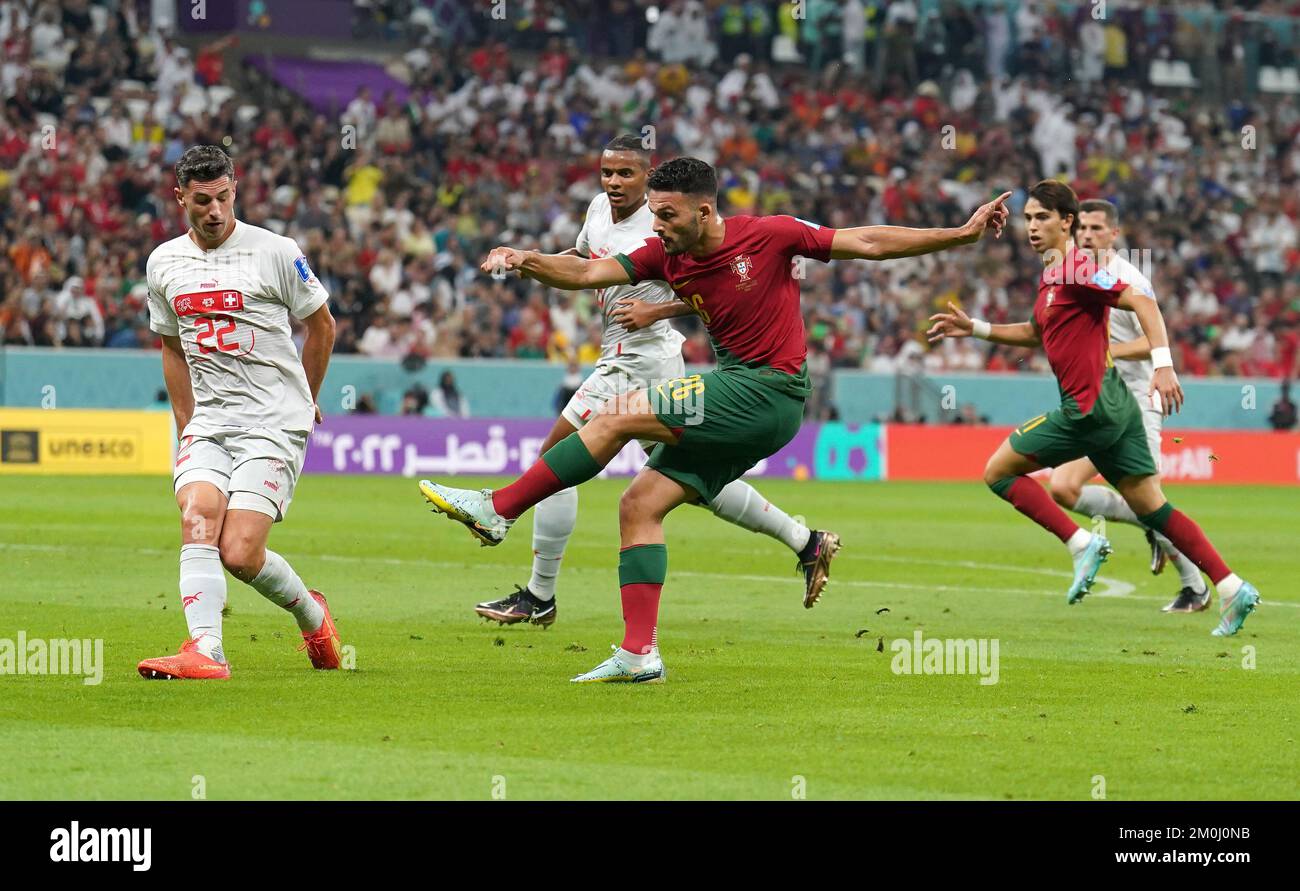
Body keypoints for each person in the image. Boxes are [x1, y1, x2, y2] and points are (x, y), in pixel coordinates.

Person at [422, 156, 1010, 683]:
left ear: (705, 210)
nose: (657, 226)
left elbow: (870, 242)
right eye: (654, 214)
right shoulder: (664, 252)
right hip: (741, 396)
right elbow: (583, 274)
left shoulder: (771, 235)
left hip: (769, 390)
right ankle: (638, 653)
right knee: (640, 505)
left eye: (669, 214)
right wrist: (525, 260)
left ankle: (499, 510)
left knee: (615, 416)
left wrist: (961, 234)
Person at [466, 135, 840, 630]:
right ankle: (803, 540)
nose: (614, 182)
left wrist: (656, 309)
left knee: (560, 452)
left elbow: (718, 285)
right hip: (619, 354)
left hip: (642, 358)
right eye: (608, 173)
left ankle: (537, 588)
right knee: (680, 482)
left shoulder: (667, 225)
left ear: (648, 179)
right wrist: (530, 262)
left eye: (626, 174)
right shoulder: (599, 210)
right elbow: (583, 262)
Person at [927, 180, 1259, 637]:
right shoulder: (1053, 275)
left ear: (1068, 222)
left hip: (1090, 409)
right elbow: (1036, 332)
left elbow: (1141, 301)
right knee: (1154, 508)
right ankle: (1230, 586)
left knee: (998, 472)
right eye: (1028, 219)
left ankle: (1081, 541)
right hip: (1116, 409)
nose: (1032, 227)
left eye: (1042, 217)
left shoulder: (1080, 270)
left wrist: (1164, 365)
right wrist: (977, 329)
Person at [136, 145, 343, 680]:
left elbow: (322, 326)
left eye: (223, 198)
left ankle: (313, 616)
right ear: (180, 197)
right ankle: (207, 651)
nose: (214, 211)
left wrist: (307, 395)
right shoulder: (164, 262)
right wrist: (187, 427)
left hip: (274, 419)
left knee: (242, 553)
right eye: (202, 200)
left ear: (236, 190)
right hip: (210, 421)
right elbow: (173, 346)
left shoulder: (275, 251)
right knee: (197, 515)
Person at [1046, 199, 1209, 614]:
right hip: (1102, 401)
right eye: (1081, 227)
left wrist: (1106, 349)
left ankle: (1197, 588)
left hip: (1140, 399)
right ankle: (1150, 526)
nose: (1086, 235)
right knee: (1063, 486)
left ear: (1114, 234)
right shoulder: (1074, 273)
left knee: (1149, 497)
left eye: (1097, 228)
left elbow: (1155, 337)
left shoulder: (1127, 277)